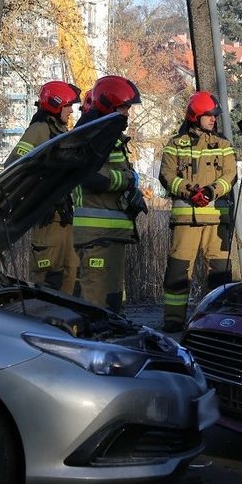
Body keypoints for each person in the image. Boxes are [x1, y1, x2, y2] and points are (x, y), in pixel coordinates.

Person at [158, 91, 237, 332]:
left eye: (215, 115)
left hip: (216, 221)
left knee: (220, 275)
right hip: (185, 221)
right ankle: (173, 321)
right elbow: (166, 175)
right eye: (209, 115)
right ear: (195, 117)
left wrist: (211, 191)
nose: (214, 119)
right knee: (178, 271)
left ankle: (216, 322)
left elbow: (230, 175)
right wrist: (187, 190)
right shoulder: (175, 144)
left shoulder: (223, 145)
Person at [72, 75, 144, 312]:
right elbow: (93, 177)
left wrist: (133, 191)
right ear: (110, 105)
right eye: (124, 107)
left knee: (112, 300)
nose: (128, 113)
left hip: (109, 233)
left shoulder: (107, 134)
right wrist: (127, 180)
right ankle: (91, 346)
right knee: (95, 301)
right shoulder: (94, 134)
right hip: (96, 234)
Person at [5, 81, 81, 293]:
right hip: (46, 215)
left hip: (65, 217)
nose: (71, 110)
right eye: (68, 106)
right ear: (57, 104)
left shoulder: (63, 132)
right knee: (48, 277)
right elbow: (14, 165)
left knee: (70, 274)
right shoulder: (39, 130)